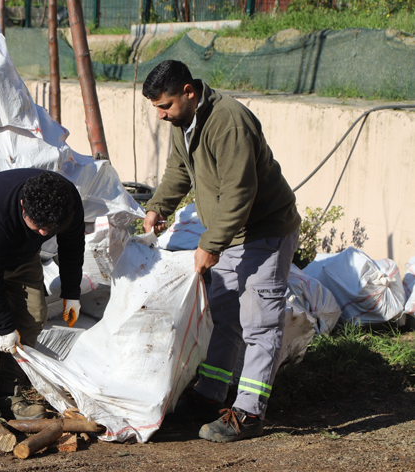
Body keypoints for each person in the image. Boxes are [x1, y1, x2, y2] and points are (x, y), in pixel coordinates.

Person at [141, 60, 301, 442]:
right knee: (226, 315)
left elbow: (239, 192)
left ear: (189, 92)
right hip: (231, 232)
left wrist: (211, 244)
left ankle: (249, 412)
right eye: (157, 109)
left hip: (264, 230)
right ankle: (211, 394)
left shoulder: (229, 122)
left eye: (166, 106)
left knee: (260, 322)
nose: (162, 115)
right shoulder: (185, 124)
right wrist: (158, 207)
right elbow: (179, 171)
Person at [0, 168, 85, 419]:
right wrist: (5, 327)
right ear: (23, 205)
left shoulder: (68, 203)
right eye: (39, 226)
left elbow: (72, 247)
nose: (44, 233)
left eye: (50, 228)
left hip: (22, 250)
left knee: (34, 314)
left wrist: (72, 293)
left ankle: (9, 391)